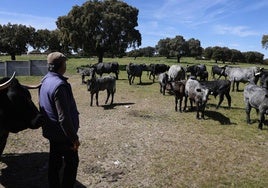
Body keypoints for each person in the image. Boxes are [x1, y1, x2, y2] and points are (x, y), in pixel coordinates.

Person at [39, 52, 80, 188]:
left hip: (52, 133)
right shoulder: (60, 85)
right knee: (71, 163)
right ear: (61, 66)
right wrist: (74, 138)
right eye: (65, 63)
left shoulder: (44, 81)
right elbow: (63, 118)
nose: (66, 66)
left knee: (54, 163)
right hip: (64, 135)